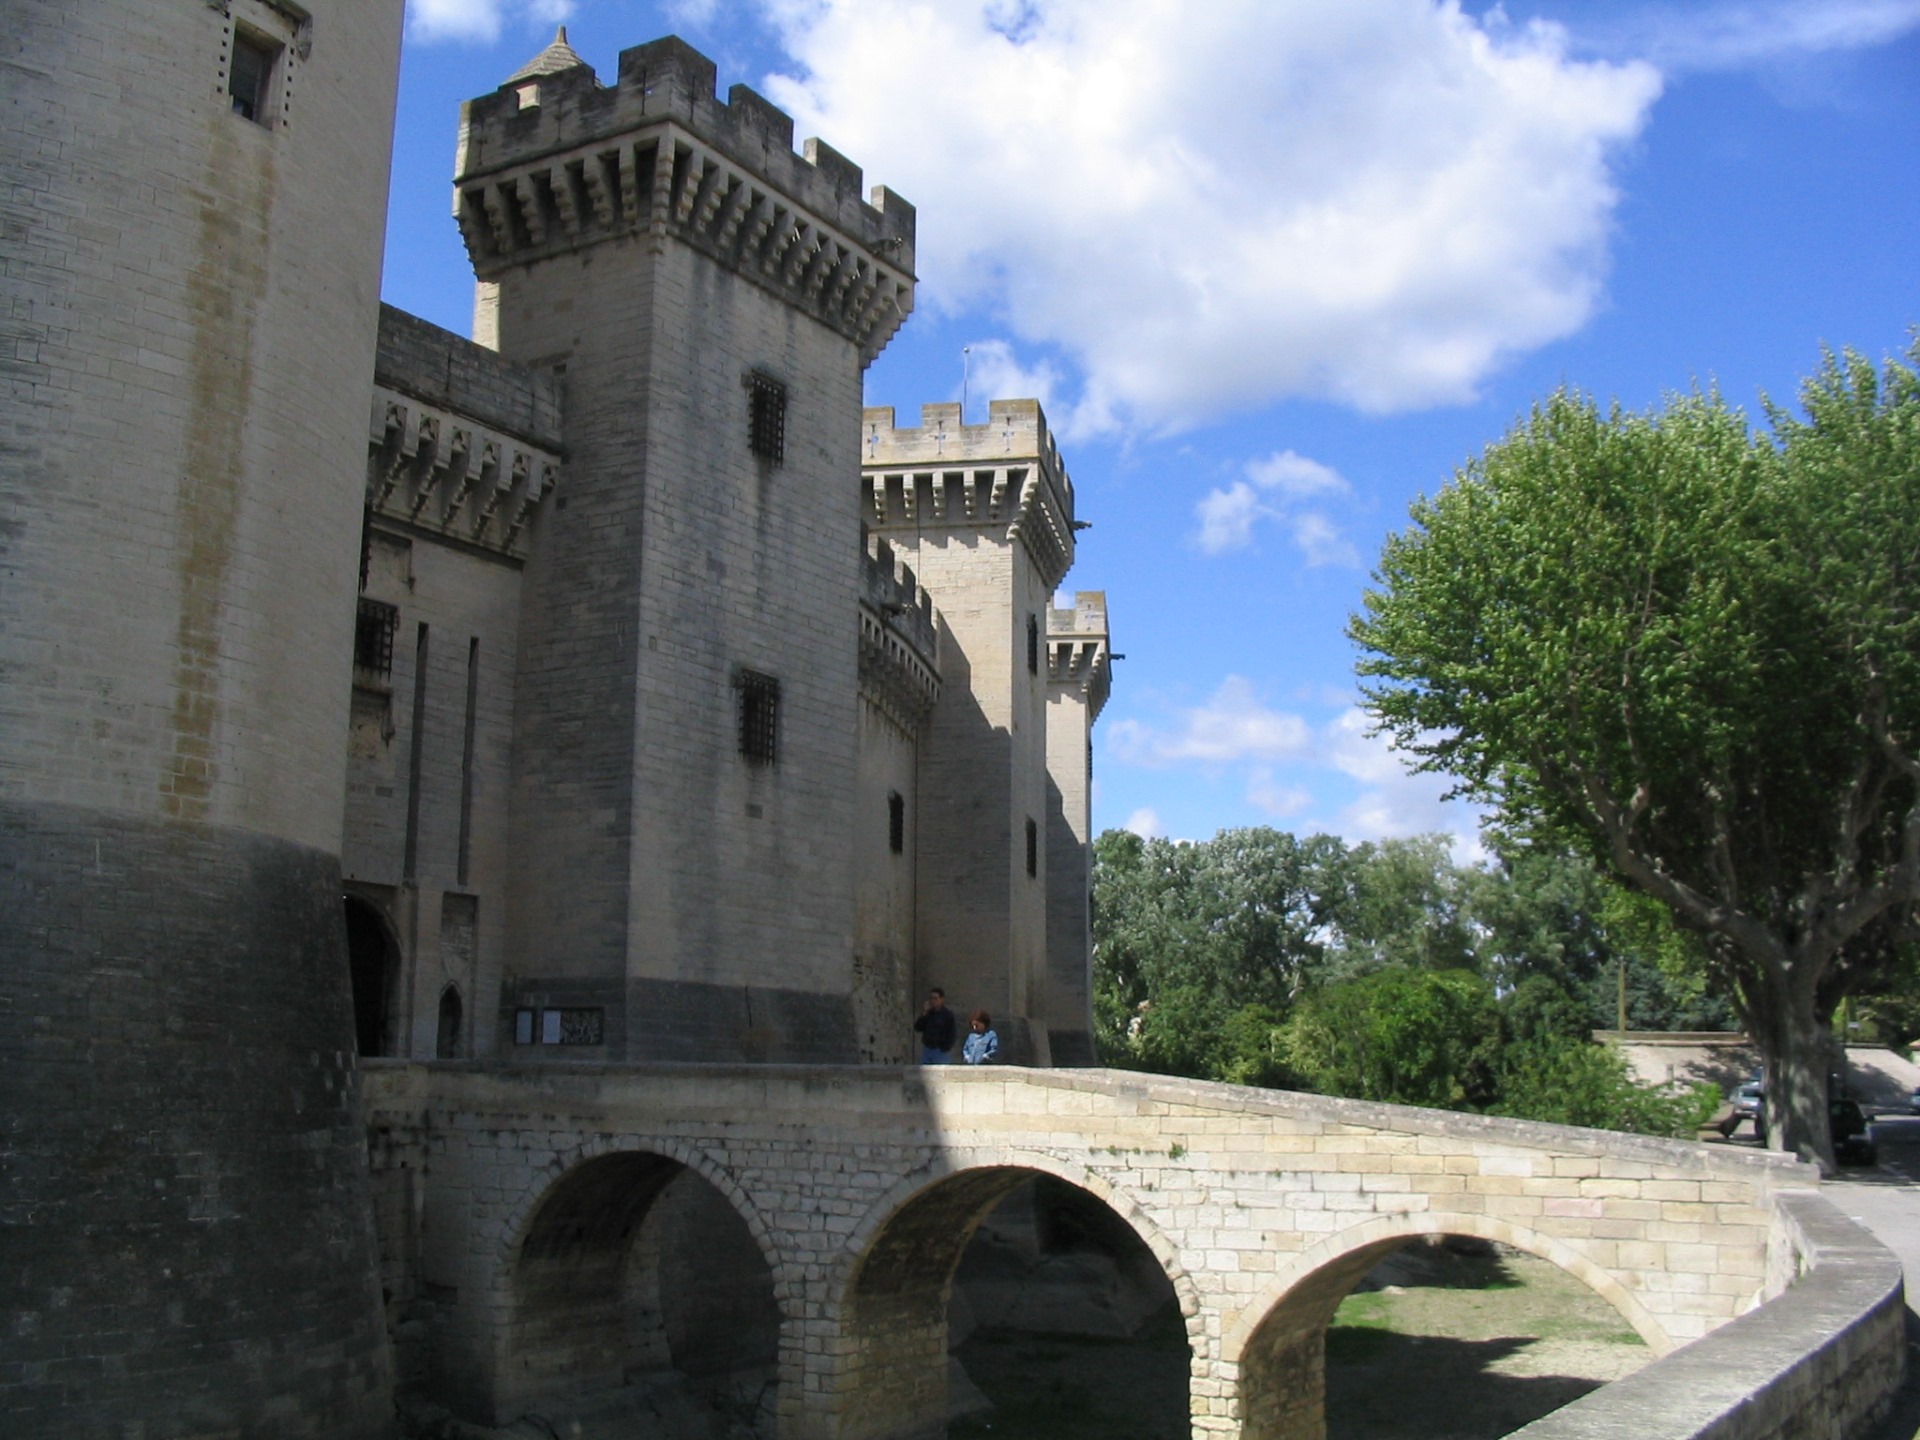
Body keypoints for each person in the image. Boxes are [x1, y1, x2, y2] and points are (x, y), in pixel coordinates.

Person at [913, 988, 957, 1064]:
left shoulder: (947, 1015)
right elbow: (917, 1027)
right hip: (927, 1049)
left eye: (936, 998)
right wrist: (924, 1013)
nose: (933, 1001)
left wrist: (945, 1047)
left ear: (942, 999)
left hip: (940, 1051)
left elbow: (952, 1033)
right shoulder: (928, 1014)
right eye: (931, 998)